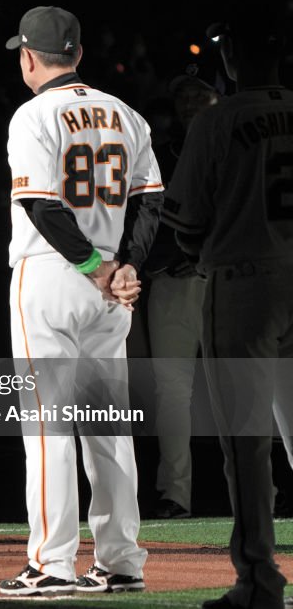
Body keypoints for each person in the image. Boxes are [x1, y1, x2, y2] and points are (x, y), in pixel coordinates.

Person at [0, 6, 163, 596]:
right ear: (79, 55)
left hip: (55, 272)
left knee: (47, 427)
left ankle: (52, 562)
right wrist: (127, 269)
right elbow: (150, 203)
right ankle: (121, 560)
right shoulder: (128, 115)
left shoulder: (33, 114)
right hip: (112, 283)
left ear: (28, 58)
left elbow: (42, 207)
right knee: (108, 427)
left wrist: (96, 268)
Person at [163, 0, 293, 609]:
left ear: (232, 55)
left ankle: (260, 582)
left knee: (247, 442)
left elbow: (185, 222)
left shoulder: (217, 120)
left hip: (244, 282)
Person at [143, 69, 220, 520]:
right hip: (173, 280)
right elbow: (146, 217)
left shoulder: (237, 147)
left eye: (200, 94)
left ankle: (264, 492)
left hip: (226, 280)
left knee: (244, 385)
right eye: (184, 96)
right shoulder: (161, 155)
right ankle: (175, 493)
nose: (191, 103)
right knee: (172, 390)